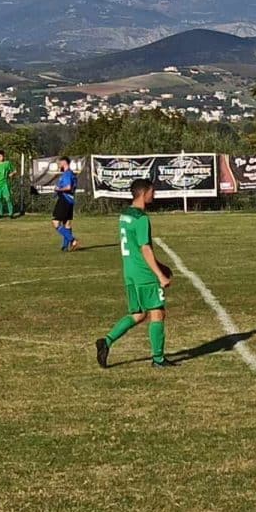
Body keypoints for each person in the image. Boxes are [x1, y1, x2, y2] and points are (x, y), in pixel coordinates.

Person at [95, 178, 175, 368]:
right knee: (158, 312)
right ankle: (158, 359)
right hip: (143, 273)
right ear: (144, 193)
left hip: (129, 271)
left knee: (138, 314)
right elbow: (145, 249)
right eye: (152, 192)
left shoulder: (124, 215)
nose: (153, 195)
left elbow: (132, 245)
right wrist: (161, 275)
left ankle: (106, 341)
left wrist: (160, 265)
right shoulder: (142, 219)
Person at [52, 156, 79, 251]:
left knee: (55, 223)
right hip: (70, 200)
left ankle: (73, 240)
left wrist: (58, 189)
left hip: (65, 200)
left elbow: (68, 187)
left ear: (64, 163)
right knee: (67, 223)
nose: (59, 165)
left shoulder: (67, 174)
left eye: (59, 163)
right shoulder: (71, 174)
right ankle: (65, 247)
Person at [0, 150, 16, 218]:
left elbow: (14, 170)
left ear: (3, 156)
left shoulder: (7, 163)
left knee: (7, 198)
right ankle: (0, 213)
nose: (0, 157)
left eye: (1, 156)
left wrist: (12, 174)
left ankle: (11, 213)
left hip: (5, 183)